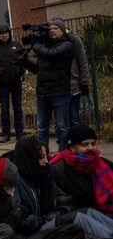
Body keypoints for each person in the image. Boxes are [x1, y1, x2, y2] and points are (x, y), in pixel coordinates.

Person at [22, 19, 74, 152]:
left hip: (60, 93)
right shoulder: (45, 46)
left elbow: (51, 55)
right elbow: (38, 70)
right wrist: (25, 62)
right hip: (43, 94)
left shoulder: (67, 45)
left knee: (62, 127)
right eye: (50, 28)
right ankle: (42, 155)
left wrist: (35, 45)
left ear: (62, 30)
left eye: (55, 28)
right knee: (41, 128)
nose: (52, 30)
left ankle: (63, 155)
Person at [50, 124, 113, 216]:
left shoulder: (105, 165)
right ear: (72, 147)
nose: (91, 147)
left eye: (93, 143)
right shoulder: (58, 170)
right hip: (77, 220)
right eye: (85, 144)